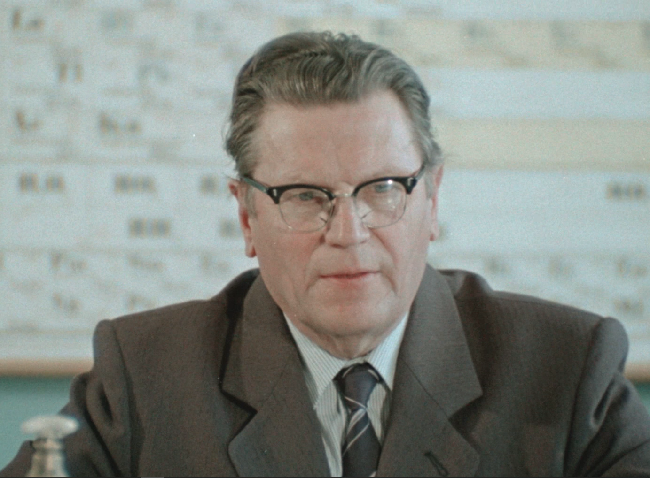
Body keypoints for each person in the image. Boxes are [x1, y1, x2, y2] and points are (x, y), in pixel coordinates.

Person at [2, 31, 650, 477]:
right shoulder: (145, 379)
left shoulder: (569, 372)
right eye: (305, 196)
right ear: (247, 215)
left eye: (383, 188)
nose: (348, 232)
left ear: (432, 199)